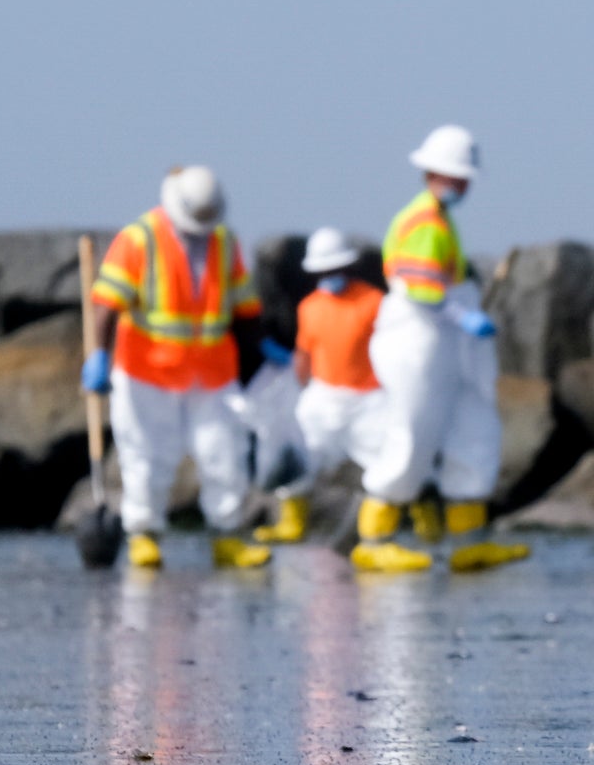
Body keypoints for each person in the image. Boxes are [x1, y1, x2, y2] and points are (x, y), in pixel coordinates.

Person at [351, 125, 529, 574]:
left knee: (472, 427)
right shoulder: (424, 222)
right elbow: (421, 290)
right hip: (417, 338)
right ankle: (375, 539)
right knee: (412, 432)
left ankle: (469, 540)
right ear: (434, 173)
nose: (463, 184)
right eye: (456, 175)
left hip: (442, 340)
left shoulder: (440, 220)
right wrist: (462, 315)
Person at [83, 165, 277, 570]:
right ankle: (143, 534)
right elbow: (105, 306)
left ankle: (228, 535)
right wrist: (98, 355)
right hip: (147, 373)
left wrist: (262, 345)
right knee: (147, 457)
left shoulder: (223, 240)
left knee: (225, 453)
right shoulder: (139, 239)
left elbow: (244, 304)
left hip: (211, 373)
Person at [253, 228, 385, 544]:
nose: (329, 276)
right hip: (324, 396)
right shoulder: (309, 307)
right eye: (323, 271)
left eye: (335, 269)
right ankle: (291, 522)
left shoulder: (374, 301)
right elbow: (304, 354)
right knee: (302, 458)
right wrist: (300, 390)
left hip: (370, 399)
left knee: (388, 462)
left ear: (347, 267)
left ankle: (378, 532)